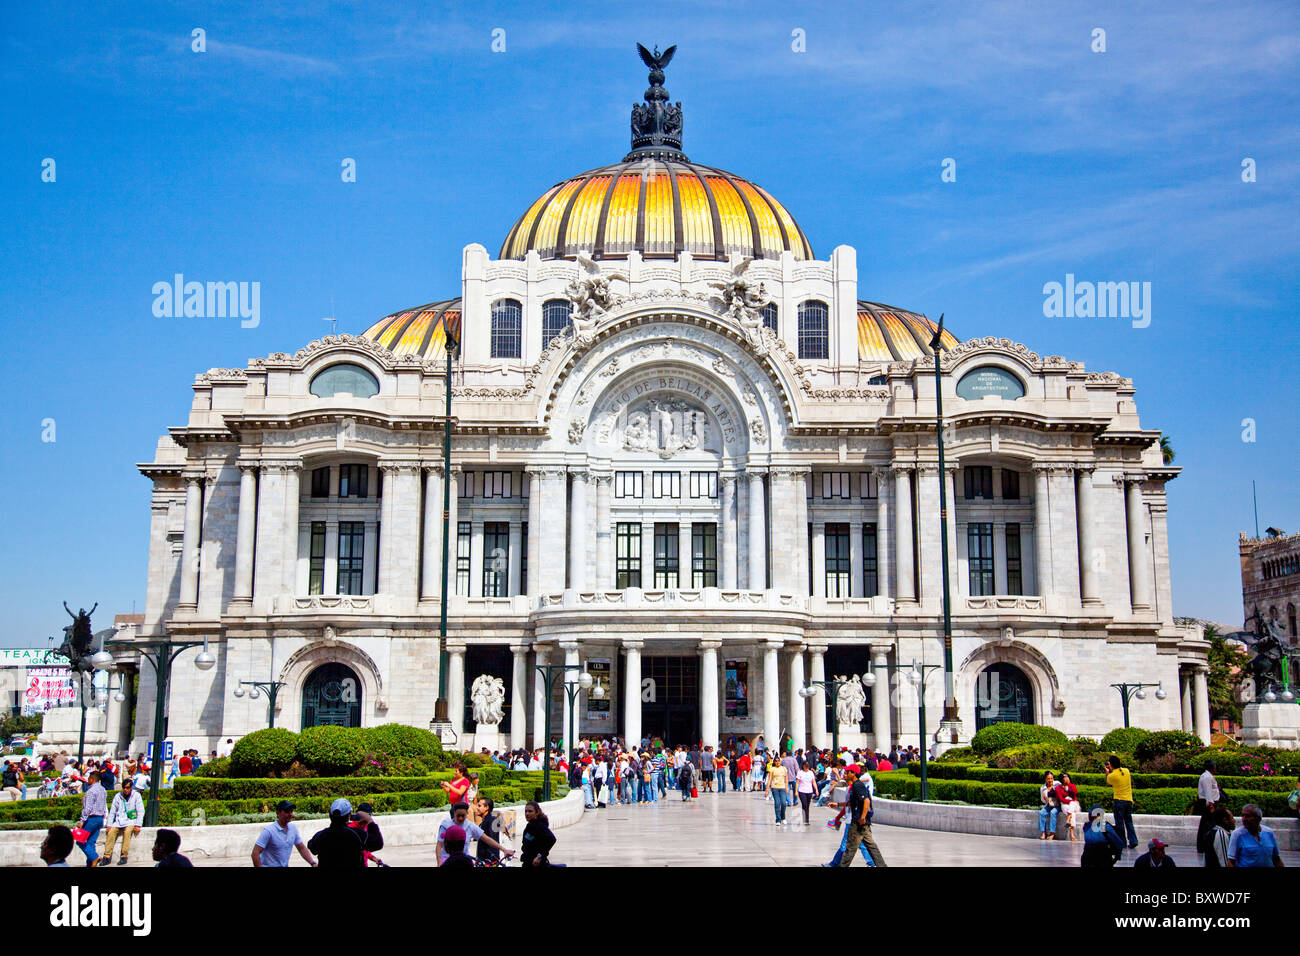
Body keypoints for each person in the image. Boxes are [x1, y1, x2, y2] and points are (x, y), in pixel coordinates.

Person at [437, 802, 514, 866]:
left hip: (463, 861)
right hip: (447, 860)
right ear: (454, 814)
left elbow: (486, 838)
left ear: (467, 813)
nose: (460, 818)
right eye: (458, 816)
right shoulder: (446, 825)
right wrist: (439, 861)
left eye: (463, 815)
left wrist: (504, 850)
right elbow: (439, 845)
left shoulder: (470, 826)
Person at [838, 765, 886, 866]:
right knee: (872, 847)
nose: (845, 775)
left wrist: (862, 817)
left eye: (847, 773)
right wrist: (837, 804)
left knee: (850, 849)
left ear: (853, 773)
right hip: (863, 823)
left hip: (858, 823)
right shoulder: (855, 785)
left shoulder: (857, 786)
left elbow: (866, 801)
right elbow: (853, 803)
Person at [252, 801, 317, 867]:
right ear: (277, 813)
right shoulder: (269, 831)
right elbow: (255, 853)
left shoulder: (293, 828)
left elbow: (301, 848)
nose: (290, 814)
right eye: (287, 812)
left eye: (291, 811)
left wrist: (312, 863)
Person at [308, 798, 365, 868]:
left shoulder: (321, 835)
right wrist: (369, 820)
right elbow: (377, 843)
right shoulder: (358, 834)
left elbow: (312, 848)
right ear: (349, 816)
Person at [102, 777, 144, 865]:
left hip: (131, 821)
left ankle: (124, 856)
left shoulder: (137, 795)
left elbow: (140, 811)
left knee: (127, 832)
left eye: (127, 788)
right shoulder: (118, 796)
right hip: (119, 820)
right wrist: (109, 825)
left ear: (131, 787)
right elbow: (112, 811)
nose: (125, 790)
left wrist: (138, 825)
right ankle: (106, 856)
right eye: (124, 787)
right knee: (111, 833)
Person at [1227, 803, 1284, 867]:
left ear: (1258, 818)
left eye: (1248, 816)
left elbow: (1276, 859)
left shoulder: (1269, 833)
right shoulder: (1237, 834)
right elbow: (1231, 861)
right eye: (1243, 815)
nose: (1244, 819)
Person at [1105, 756, 1138, 849]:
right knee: (1129, 821)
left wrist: (1107, 772)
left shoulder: (1112, 775)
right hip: (1129, 800)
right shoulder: (1126, 771)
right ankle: (1133, 840)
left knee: (1119, 823)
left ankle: (1122, 842)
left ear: (1111, 765)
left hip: (1119, 800)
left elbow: (1108, 783)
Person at [76, 770, 107, 867]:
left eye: (89, 778)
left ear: (92, 779)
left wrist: (82, 821)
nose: (87, 780)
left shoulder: (91, 791)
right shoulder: (103, 790)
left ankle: (94, 857)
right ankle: (90, 864)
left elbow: (88, 808)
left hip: (91, 819)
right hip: (99, 819)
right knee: (91, 842)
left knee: (80, 841)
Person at [1195, 759, 1221, 862]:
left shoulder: (1208, 776)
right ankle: (1203, 846)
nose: (1216, 768)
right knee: (1207, 825)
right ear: (1211, 767)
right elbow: (1208, 792)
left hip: (1210, 803)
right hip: (1209, 804)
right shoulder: (1206, 777)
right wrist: (1211, 805)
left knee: (1205, 824)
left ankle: (1203, 846)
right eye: (1215, 766)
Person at [520, 800, 557, 867]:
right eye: (526, 811)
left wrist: (539, 856)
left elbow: (552, 839)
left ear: (537, 812)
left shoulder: (540, 826)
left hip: (537, 863)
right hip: (527, 861)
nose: (527, 813)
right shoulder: (530, 825)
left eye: (530, 811)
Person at [475, 796, 505, 864]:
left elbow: (492, 843)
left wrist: (490, 862)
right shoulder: (484, 821)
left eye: (479, 806)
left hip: (489, 861)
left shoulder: (492, 821)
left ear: (486, 808)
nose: (477, 808)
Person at [1055, 772, 1082, 841]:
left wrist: (1069, 785)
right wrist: (1071, 801)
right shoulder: (1058, 788)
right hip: (1065, 805)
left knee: (1072, 805)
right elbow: (1061, 799)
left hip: (1074, 805)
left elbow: (1075, 793)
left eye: (1067, 776)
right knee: (1072, 813)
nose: (1066, 778)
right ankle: (1071, 833)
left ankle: (1068, 819)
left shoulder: (1072, 785)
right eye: (1064, 777)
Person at [768, 757, 790, 825]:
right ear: (774, 762)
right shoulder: (772, 769)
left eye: (778, 761)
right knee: (777, 803)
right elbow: (769, 779)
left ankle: (783, 817)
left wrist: (786, 787)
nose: (777, 762)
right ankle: (778, 819)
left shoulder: (784, 768)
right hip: (775, 788)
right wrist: (767, 790)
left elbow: (786, 778)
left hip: (782, 787)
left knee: (783, 803)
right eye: (776, 761)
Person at [1038, 771, 1060, 839]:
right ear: (1045, 779)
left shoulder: (1057, 784)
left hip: (1057, 804)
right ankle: (1043, 832)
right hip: (1049, 804)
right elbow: (1042, 799)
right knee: (1041, 813)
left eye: (1051, 778)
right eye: (1048, 779)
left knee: (1053, 812)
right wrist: (1045, 799)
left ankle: (1052, 833)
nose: (1050, 780)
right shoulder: (1043, 787)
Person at [795, 760, 817, 825]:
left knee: (807, 805)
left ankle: (807, 820)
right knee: (804, 804)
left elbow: (813, 782)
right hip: (802, 791)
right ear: (803, 766)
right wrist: (796, 791)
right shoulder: (800, 772)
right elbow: (797, 782)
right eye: (805, 766)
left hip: (809, 791)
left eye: (808, 766)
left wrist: (816, 790)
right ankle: (804, 819)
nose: (807, 767)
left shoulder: (811, 773)